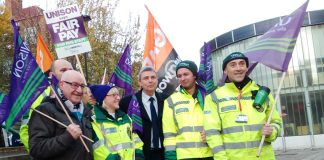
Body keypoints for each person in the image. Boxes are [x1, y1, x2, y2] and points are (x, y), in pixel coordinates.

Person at [203, 52, 282, 159]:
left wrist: (271, 132)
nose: (238, 68)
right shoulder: (213, 97)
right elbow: (212, 131)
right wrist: (220, 157)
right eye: (233, 65)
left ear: (246, 68)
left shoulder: (263, 93)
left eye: (242, 64)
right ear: (225, 70)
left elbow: (276, 122)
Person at [28, 70, 93, 160]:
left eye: (82, 86)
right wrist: (67, 137)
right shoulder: (45, 110)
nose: (79, 90)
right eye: (74, 85)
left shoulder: (86, 111)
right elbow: (36, 149)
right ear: (62, 84)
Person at [20, 59, 73, 152]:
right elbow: (26, 129)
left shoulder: (80, 95)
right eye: (63, 70)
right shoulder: (37, 96)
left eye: (71, 70)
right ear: (52, 75)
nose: (68, 73)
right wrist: (38, 153)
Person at [163, 60, 213, 160]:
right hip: (185, 157)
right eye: (179, 76)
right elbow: (169, 135)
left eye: (186, 74)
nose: (182, 78)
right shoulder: (170, 101)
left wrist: (212, 132)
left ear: (194, 75)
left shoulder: (209, 97)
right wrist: (170, 157)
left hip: (210, 154)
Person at [119, 66, 166, 160]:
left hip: (164, 153)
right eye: (146, 78)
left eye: (153, 77)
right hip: (141, 154)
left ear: (157, 80)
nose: (150, 81)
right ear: (139, 82)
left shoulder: (166, 100)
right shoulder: (127, 102)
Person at [89, 84, 144, 160]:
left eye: (118, 95)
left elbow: (136, 140)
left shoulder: (126, 118)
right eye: (114, 95)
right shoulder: (95, 121)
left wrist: (139, 156)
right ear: (103, 98)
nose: (118, 98)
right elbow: (98, 149)